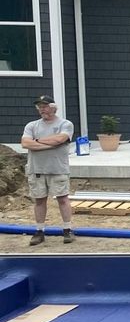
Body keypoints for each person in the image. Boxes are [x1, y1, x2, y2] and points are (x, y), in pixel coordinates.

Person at [21, 96, 74, 245]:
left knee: (63, 199)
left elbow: (60, 139)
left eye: (45, 106)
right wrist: (48, 144)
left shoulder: (65, 124)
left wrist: (36, 141)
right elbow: (25, 143)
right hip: (36, 169)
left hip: (58, 168)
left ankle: (67, 229)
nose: (42, 109)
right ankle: (39, 231)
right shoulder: (31, 125)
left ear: (53, 108)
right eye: (39, 107)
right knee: (39, 200)